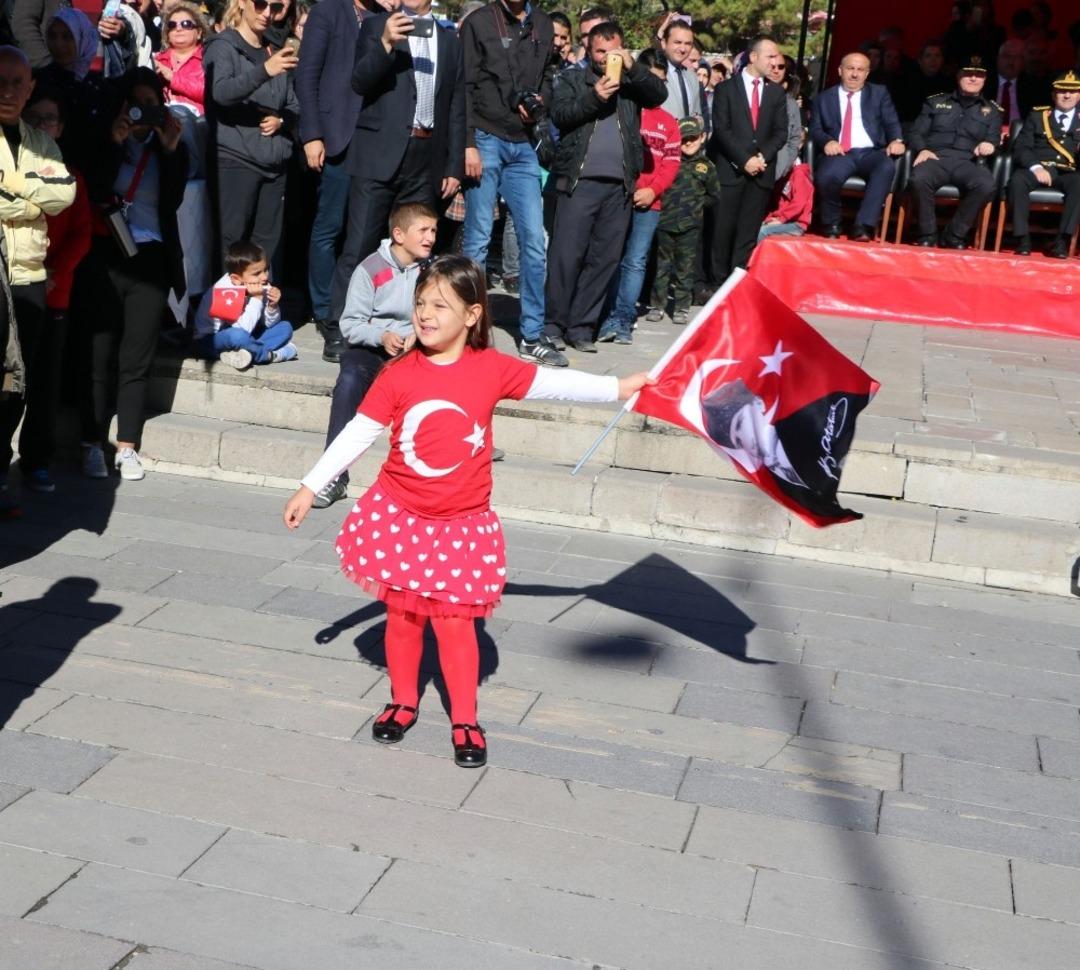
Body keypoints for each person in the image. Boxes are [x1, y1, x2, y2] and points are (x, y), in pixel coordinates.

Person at [283, 254, 653, 767]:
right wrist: (310, 485)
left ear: (473, 314)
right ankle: (403, 701)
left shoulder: (492, 369)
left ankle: (464, 718)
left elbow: (554, 383)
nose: (425, 314)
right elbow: (360, 431)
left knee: (456, 625)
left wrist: (618, 388)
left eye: (440, 304)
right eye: (419, 303)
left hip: (460, 524)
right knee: (405, 616)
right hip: (401, 516)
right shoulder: (399, 373)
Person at [326, 0, 465, 367]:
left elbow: (455, 102)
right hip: (379, 151)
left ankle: (413, 327)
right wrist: (386, 42)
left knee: (419, 249)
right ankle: (341, 325)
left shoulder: (449, 40)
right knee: (359, 243)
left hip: (427, 154)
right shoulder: (376, 25)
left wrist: (453, 163)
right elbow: (360, 81)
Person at [76, 67, 188, 481]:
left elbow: (173, 201)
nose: (143, 111)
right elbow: (92, 188)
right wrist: (114, 141)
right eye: (136, 103)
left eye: (151, 104)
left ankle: (127, 446)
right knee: (99, 352)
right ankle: (91, 442)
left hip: (151, 257)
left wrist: (173, 149)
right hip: (106, 252)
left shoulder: (168, 147)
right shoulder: (106, 140)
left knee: (137, 355)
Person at [543, 21, 666, 353]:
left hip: (619, 187)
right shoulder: (572, 78)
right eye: (600, 51)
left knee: (604, 260)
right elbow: (560, 115)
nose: (605, 58)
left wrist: (633, 67)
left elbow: (659, 95)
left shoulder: (631, 82)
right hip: (578, 182)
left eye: (613, 51)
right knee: (566, 256)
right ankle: (554, 323)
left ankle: (582, 327)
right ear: (589, 49)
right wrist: (594, 97)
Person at [312, 202, 437, 509]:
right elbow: (350, 325)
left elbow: (441, 315)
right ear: (398, 234)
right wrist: (381, 336)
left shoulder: (432, 270)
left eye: (433, 230)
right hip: (370, 349)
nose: (430, 237)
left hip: (414, 348)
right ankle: (333, 477)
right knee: (350, 379)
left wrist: (418, 336)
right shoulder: (370, 269)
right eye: (423, 230)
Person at [460, 0, 563, 367]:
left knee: (535, 240)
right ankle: (468, 335)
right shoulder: (478, 22)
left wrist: (541, 100)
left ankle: (532, 335)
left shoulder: (544, 25)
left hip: (524, 144)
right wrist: (468, 143)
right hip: (486, 137)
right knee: (477, 238)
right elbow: (464, 87)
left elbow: (550, 74)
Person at [0, 48, 75, 512]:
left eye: (17, 83)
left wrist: (15, 191)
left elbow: (64, 192)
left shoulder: (40, 141)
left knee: (16, 386)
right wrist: (35, 195)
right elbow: (43, 196)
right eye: (0, 81)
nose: (8, 91)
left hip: (28, 275)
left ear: (29, 89)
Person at [25, 88, 91, 491]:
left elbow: (82, 235)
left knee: (45, 384)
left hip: (54, 292)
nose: (43, 125)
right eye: (37, 118)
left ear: (61, 128)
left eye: (50, 119)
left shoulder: (72, 177)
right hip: (15, 287)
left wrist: (53, 271)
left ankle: (36, 461)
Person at [294, 0, 366, 363]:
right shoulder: (329, 11)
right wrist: (312, 134)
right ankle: (326, 313)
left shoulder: (390, 14)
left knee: (364, 232)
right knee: (328, 228)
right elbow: (306, 75)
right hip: (335, 137)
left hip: (376, 141)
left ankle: (356, 307)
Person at [204, 0, 299, 270]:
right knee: (231, 249)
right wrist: (264, 71)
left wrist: (281, 120)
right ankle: (224, 310)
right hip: (236, 160)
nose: (267, 12)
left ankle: (258, 310)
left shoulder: (274, 49)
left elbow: (293, 104)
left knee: (265, 250)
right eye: (260, 4)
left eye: (275, 6)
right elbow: (220, 92)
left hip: (274, 164)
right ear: (242, 3)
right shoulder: (223, 46)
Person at [598, 46, 679, 345]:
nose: (654, 88)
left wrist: (652, 190)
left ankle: (621, 318)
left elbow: (671, 163)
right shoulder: (626, 109)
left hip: (650, 203)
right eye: (650, 79)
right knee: (609, 256)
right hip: (617, 196)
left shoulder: (669, 123)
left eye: (661, 81)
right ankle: (602, 314)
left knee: (634, 261)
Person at [708, 36, 788, 281]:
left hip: (761, 172)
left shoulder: (775, 93)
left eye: (776, 57)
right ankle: (716, 280)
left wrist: (762, 156)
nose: (775, 63)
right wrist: (744, 161)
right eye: (770, 57)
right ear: (753, 57)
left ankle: (736, 279)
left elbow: (780, 132)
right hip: (731, 171)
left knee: (748, 231)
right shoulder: (726, 89)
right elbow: (722, 129)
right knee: (722, 229)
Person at [906, 55, 1001, 249]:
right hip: (935, 157)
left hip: (968, 161)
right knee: (919, 178)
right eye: (968, 74)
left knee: (985, 184)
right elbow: (915, 131)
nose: (973, 78)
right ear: (958, 76)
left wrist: (990, 145)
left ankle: (954, 235)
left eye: (978, 75)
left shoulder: (992, 110)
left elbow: (993, 139)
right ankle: (928, 233)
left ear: (985, 80)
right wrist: (922, 149)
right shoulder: (935, 102)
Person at [810, 51, 905, 241]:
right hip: (840, 152)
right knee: (827, 176)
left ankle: (863, 225)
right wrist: (827, 141)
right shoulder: (824, 98)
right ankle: (832, 223)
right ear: (840, 70)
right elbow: (815, 129)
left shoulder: (879, 93)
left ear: (867, 74)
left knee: (885, 167)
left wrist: (897, 139)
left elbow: (891, 121)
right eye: (850, 68)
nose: (855, 74)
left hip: (871, 152)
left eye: (860, 70)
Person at [648, 116, 719, 325]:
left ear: (702, 138)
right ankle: (657, 305)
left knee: (685, 268)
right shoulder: (669, 162)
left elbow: (714, 195)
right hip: (665, 222)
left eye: (693, 138)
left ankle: (681, 307)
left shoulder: (707, 166)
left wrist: (697, 205)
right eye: (684, 139)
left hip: (690, 226)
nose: (688, 143)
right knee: (662, 266)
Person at [1008, 69, 1080, 258]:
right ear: (1053, 94)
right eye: (1062, 91)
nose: (1067, 95)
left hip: (1068, 172)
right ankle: (1022, 239)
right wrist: (1036, 167)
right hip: (1037, 167)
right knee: (1017, 180)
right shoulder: (1038, 115)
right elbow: (1021, 148)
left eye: (1072, 91)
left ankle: (1062, 242)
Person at [193, 239, 296, 368]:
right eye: (257, 273)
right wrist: (257, 299)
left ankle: (242, 354)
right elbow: (242, 331)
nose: (264, 277)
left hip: (243, 334)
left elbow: (268, 324)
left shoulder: (259, 284)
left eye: (266, 269)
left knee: (285, 327)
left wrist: (272, 306)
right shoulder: (223, 290)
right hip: (210, 340)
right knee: (238, 336)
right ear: (236, 279)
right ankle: (267, 355)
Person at [758, 129, 813, 241]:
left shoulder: (799, 174)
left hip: (796, 224)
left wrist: (781, 219)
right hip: (781, 218)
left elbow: (799, 203)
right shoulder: (781, 174)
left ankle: (755, 259)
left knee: (762, 232)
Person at [154, 1, 207, 115]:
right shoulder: (157, 60)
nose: (178, 29)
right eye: (172, 25)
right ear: (167, 34)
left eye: (186, 24)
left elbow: (213, 93)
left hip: (201, 124)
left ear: (199, 32)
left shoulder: (209, 59)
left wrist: (172, 77)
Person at [657, 15, 699, 121]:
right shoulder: (654, 73)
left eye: (688, 44)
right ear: (663, 43)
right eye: (677, 42)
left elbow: (697, 112)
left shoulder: (692, 77)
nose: (683, 49)